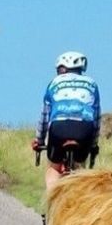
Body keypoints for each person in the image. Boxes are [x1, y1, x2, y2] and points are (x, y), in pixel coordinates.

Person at [31, 51, 101, 194]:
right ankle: (79, 204)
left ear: (61, 69)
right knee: (81, 167)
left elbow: (45, 115)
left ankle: (50, 205)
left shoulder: (54, 83)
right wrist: (93, 144)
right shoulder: (92, 84)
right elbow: (97, 117)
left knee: (54, 168)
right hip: (84, 129)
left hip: (59, 128)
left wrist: (39, 140)